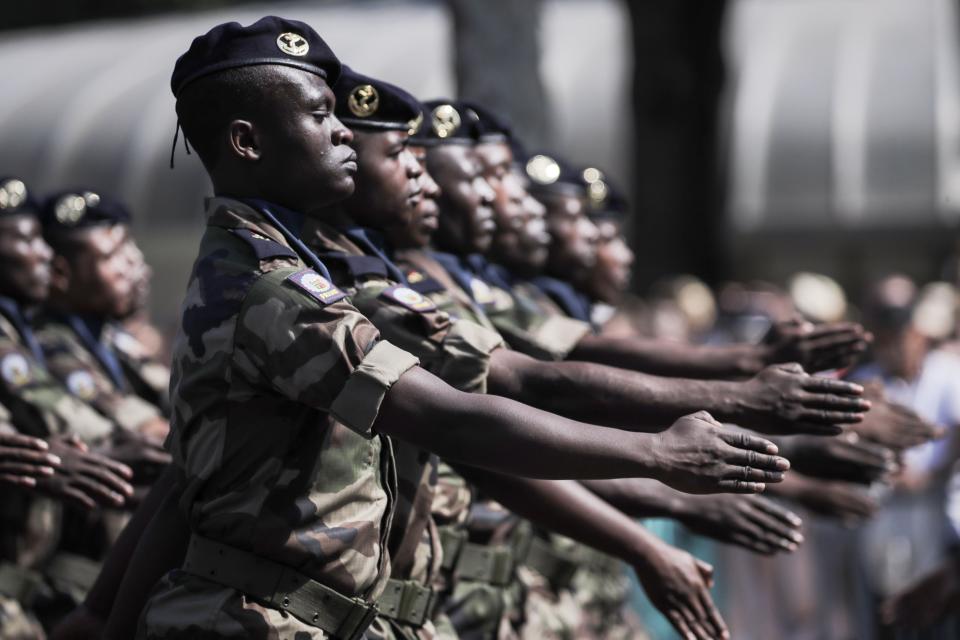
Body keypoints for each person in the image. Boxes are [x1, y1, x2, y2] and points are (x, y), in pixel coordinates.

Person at [132, 17, 791, 640]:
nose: (340, 134)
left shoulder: (281, 274)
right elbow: (460, 419)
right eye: (318, 114)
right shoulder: (270, 290)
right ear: (246, 142)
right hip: (265, 618)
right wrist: (664, 451)